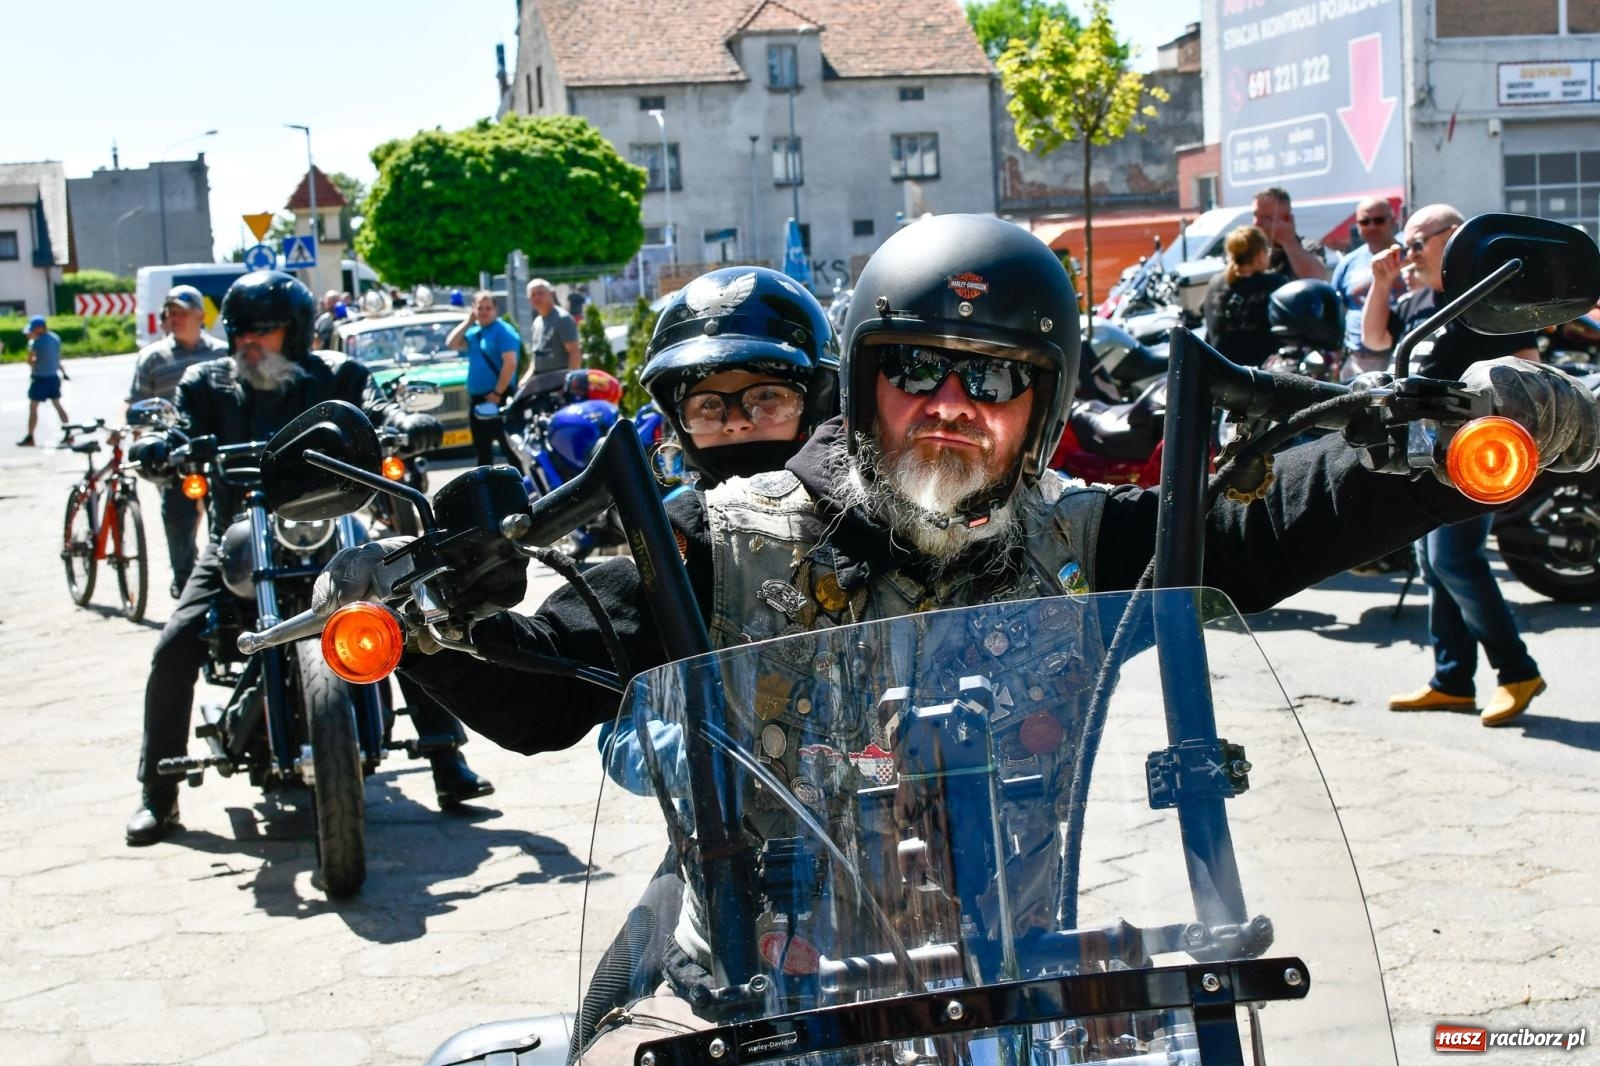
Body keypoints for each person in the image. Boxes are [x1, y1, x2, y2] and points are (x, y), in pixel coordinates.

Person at [321, 215, 1597, 1055]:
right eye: (917, 369)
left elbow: (1263, 531)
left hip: (1025, 976)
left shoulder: (1080, 542)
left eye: (993, 377)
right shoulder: (725, 538)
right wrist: (420, 618)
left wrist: (1466, 439)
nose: (950, 405)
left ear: (1040, 406)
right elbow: (547, 690)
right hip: (745, 988)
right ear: (862, 383)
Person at [123, 270, 489, 846]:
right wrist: (163, 449)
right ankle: (157, 793)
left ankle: (447, 758)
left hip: (335, 539)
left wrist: (400, 424)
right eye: (241, 330)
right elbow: (181, 430)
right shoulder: (205, 383)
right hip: (241, 542)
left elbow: (373, 411)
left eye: (263, 331)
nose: (249, 341)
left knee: (409, 617)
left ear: (292, 333)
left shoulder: (335, 376)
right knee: (174, 646)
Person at [1363, 204, 1549, 726]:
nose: (1408, 252)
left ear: (1454, 237)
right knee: (1433, 563)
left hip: (1475, 451)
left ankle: (1517, 671)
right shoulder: (1418, 298)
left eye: (1417, 241)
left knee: (1454, 560)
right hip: (1427, 453)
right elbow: (1377, 342)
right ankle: (1452, 679)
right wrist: (1381, 283)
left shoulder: (1487, 298)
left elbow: (1527, 367)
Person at [127, 285, 229, 596]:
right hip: (176, 454)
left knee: (225, 515)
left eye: (182, 312)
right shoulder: (153, 358)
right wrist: (142, 442)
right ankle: (184, 581)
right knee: (177, 518)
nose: (175, 318)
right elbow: (136, 404)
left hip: (215, 449)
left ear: (201, 314)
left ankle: (225, 573)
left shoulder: (221, 353)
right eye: (171, 313)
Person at [447, 290, 521, 466]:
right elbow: (452, 343)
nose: (484, 312)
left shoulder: (503, 331)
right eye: (480, 308)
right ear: (474, 309)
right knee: (482, 451)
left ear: (496, 309)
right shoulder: (475, 332)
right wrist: (468, 321)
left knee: (509, 448)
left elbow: (510, 364)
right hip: (479, 400)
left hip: (498, 398)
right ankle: (487, 489)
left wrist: (497, 393)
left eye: (488, 308)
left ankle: (524, 487)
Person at [1329, 197, 1402, 373]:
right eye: (1365, 221)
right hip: (1359, 360)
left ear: (1392, 221)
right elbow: (1336, 313)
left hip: (1399, 355)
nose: (1371, 226)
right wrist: (1335, 358)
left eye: (1378, 220)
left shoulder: (1409, 256)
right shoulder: (1347, 263)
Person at [1202, 225, 1290, 366]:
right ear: (1261, 253)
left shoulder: (1215, 283)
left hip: (1219, 372)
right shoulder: (1274, 284)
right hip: (1259, 377)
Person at [1252, 186, 1328, 281]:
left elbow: (1316, 277)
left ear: (1286, 219)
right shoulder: (1249, 250)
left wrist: (1288, 241)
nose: (1257, 223)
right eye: (1255, 216)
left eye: (1267, 218)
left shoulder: (1307, 247)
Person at [17, 316, 69, 446]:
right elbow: (57, 358)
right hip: (53, 377)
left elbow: (30, 361)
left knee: (33, 406)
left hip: (40, 378)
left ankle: (30, 436)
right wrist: (63, 373)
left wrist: (31, 343)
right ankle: (69, 432)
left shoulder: (36, 342)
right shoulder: (55, 338)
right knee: (57, 405)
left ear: (40, 328)